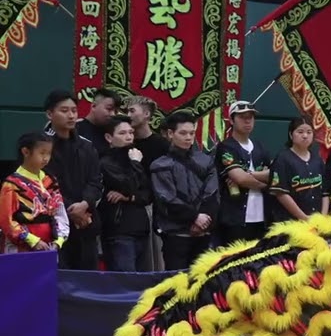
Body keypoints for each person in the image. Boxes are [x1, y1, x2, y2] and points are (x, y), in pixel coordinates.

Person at [151, 111, 219, 270]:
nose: (188, 137)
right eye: (183, 133)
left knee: (201, 281)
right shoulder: (160, 165)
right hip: (175, 234)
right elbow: (167, 199)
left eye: (192, 133)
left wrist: (204, 220)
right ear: (170, 133)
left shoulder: (205, 160)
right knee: (176, 281)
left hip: (204, 232)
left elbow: (213, 193)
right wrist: (194, 217)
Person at [44, 89, 103, 270]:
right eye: (64, 110)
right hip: (55, 224)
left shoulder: (86, 145)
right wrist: (71, 210)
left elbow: (96, 181)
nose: (71, 115)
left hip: (86, 221)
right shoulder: (40, 146)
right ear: (49, 114)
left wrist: (85, 204)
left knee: (88, 277)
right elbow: (44, 184)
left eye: (74, 111)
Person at [0, 131, 68, 254]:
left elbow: (60, 212)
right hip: (20, 248)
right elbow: (6, 221)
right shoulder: (12, 184)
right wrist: (32, 240)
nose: (46, 158)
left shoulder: (50, 180)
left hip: (48, 246)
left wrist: (59, 239)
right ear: (26, 152)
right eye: (42, 153)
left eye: (49, 153)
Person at [98, 117, 152, 271]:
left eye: (131, 132)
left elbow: (148, 194)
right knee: (125, 280)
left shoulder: (135, 158)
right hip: (119, 230)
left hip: (140, 227)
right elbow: (128, 185)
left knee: (142, 281)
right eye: (122, 133)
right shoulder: (106, 162)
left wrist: (128, 197)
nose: (129, 137)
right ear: (109, 137)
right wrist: (136, 164)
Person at [214, 101, 271, 244]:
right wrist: (264, 184)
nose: (247, 121)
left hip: (262, 216)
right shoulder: (226, 147)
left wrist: (249, 174)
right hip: (234, 217)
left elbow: (272, 175)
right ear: (232, 120)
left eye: (251, 117)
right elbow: (240, 179)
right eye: (242, 117)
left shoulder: (260, 147)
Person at [269, 118, 325, 222]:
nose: (305, 136)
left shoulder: (318, 159)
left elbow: (325, 192)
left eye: (309, 132)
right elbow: (281, 194)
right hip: (291, 223)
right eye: (300, 132)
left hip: (317, 223)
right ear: (291, 135)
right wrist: (304, 218)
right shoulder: (283, 159)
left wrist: (323, 218)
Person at [75, 89, 120, 156]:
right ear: (94, 106)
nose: (113, 114)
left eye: (116, 111)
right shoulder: (76, 130)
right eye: (109, 109)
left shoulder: (113, 132)